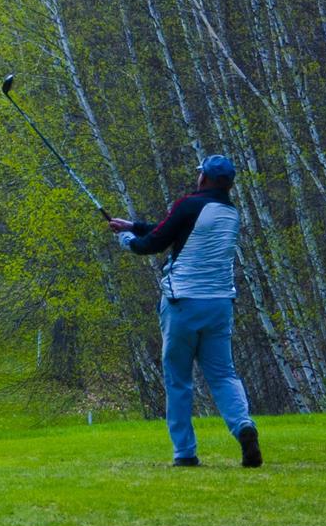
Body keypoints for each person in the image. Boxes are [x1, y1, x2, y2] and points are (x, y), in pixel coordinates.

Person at [109, 154, 262, 469]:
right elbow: (176, 231)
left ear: (204, 178)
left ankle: (185, 452)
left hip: (182, 303)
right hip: (219, 304)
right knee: (223, 374)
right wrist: (134, 225)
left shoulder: (188, 204)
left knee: (178, 379)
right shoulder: (230, 213)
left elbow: (154, 243)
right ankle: (243, 426)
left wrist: (127, 240)